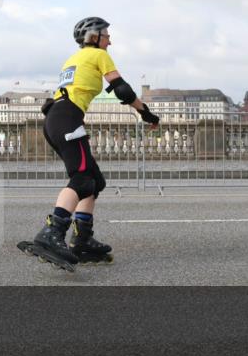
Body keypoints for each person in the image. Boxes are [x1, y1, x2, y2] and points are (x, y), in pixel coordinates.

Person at [32, 16, 160, 265]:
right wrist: (146, 113)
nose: (109, 40)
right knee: (80, 179)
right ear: (94, 36)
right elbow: (122, 89)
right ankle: (52, 233)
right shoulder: (98, 55)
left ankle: (82, 240)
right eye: (106, 35)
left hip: (56, 119)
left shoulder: (73, 59)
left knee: (94, 182)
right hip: (67, 118)